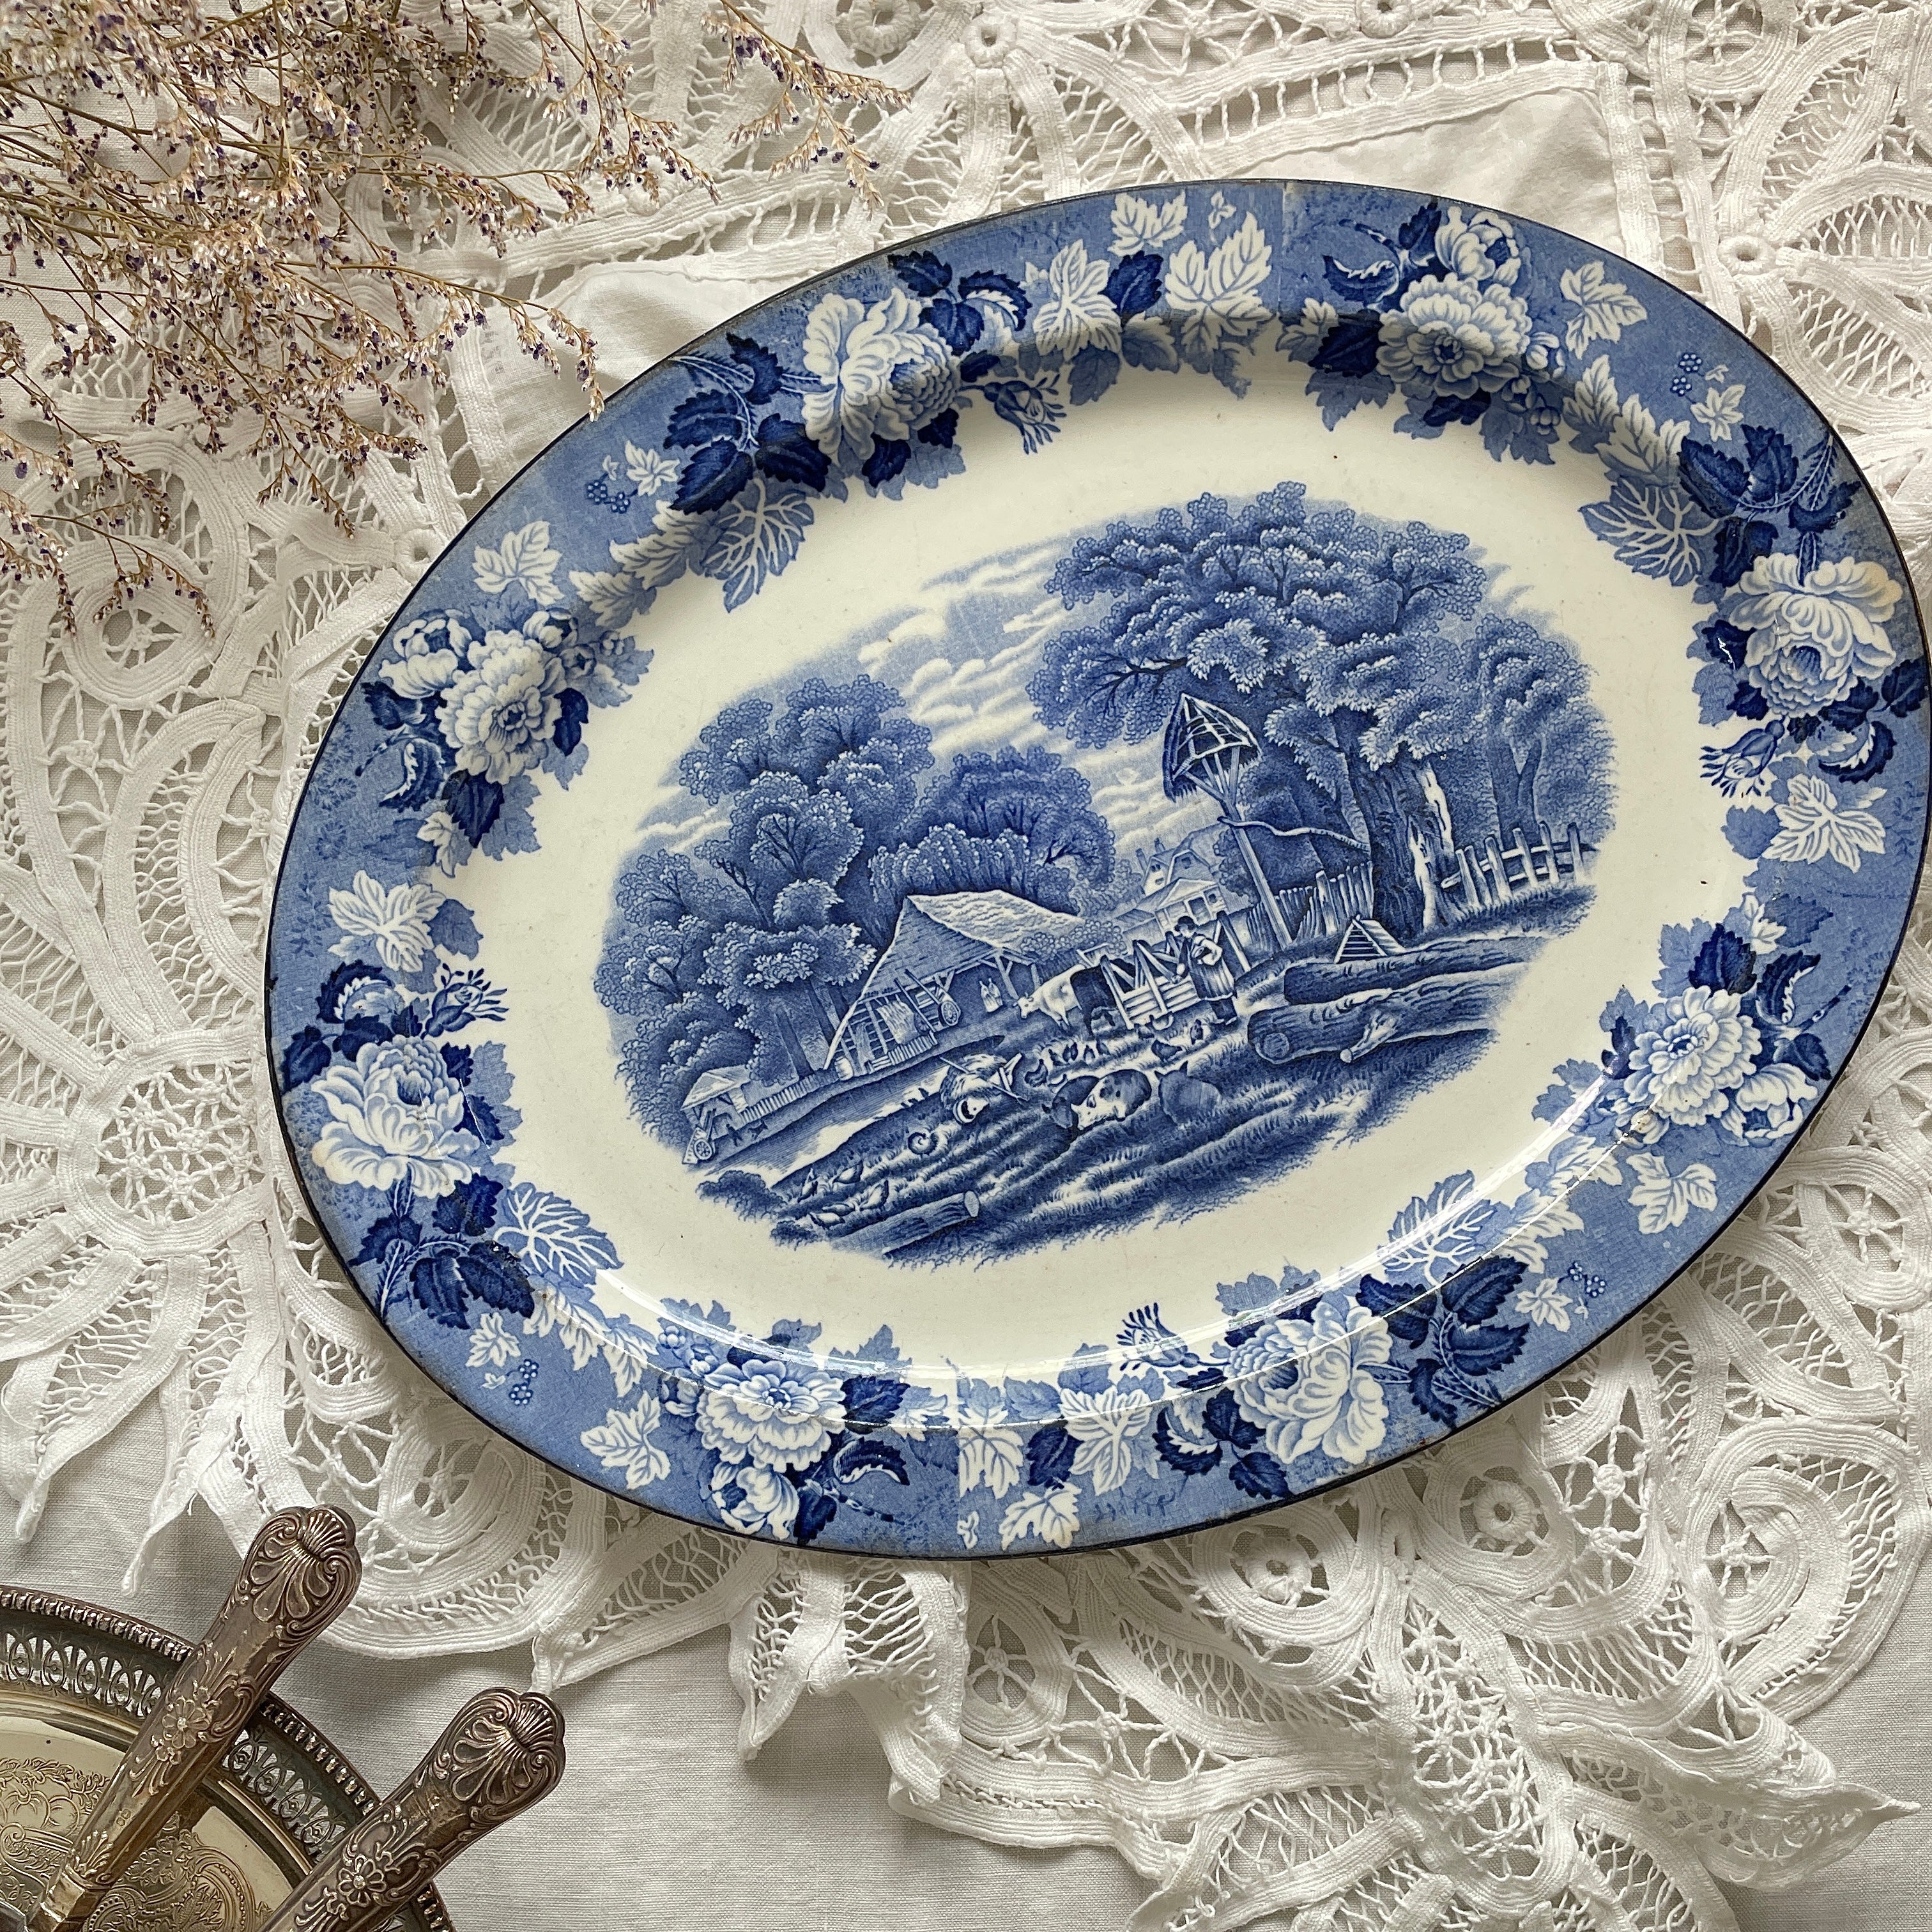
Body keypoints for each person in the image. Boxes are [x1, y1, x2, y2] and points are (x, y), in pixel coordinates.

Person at [1176, 916, 1238, 1023]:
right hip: (1200, 976)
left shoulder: (1201, 939)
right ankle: (1221, 1017)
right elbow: (1184, 960)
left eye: (1184, 930)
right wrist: (1180, 974)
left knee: (1220, 993)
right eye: (1181, 931)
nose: (1183, 933)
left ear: (1191, 928)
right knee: (1209, 996)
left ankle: (1231, 1016)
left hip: (1211, 973)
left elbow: (1218, 950)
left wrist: (1210, 959)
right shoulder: (1186, 944)